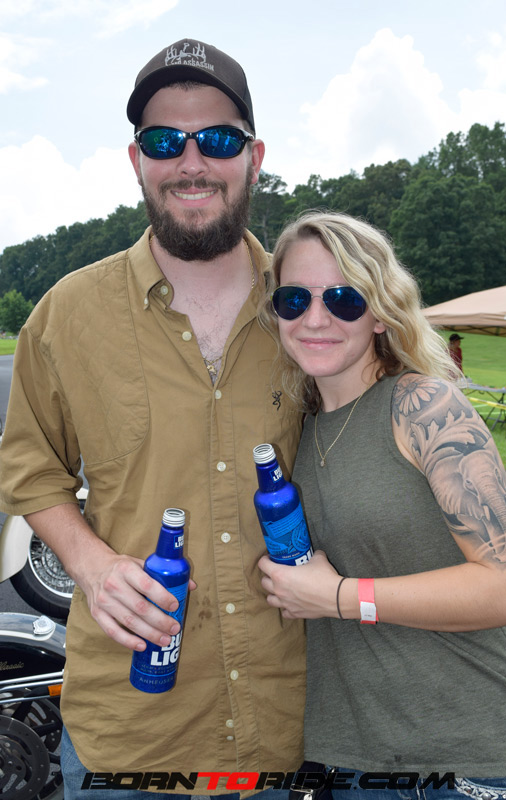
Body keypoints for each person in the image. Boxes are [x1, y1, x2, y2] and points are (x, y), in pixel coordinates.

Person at [0, 39, 306, 798]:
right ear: (137, 160)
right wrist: (90, 564)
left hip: (292, 728)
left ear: (254, 158)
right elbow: (28, 465)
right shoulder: (67, 314)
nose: (191, 162)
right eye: (166, 141)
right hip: (130, 738)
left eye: (219, 139)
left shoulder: (315, 311)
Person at [257, 211, 506, 799]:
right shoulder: (298, 429)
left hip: (474, 761)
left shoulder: (424, 405)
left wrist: (337, 598)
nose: (315, 318)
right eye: (294, 299)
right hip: (353, 759)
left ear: (380, 313)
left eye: (344, 299)